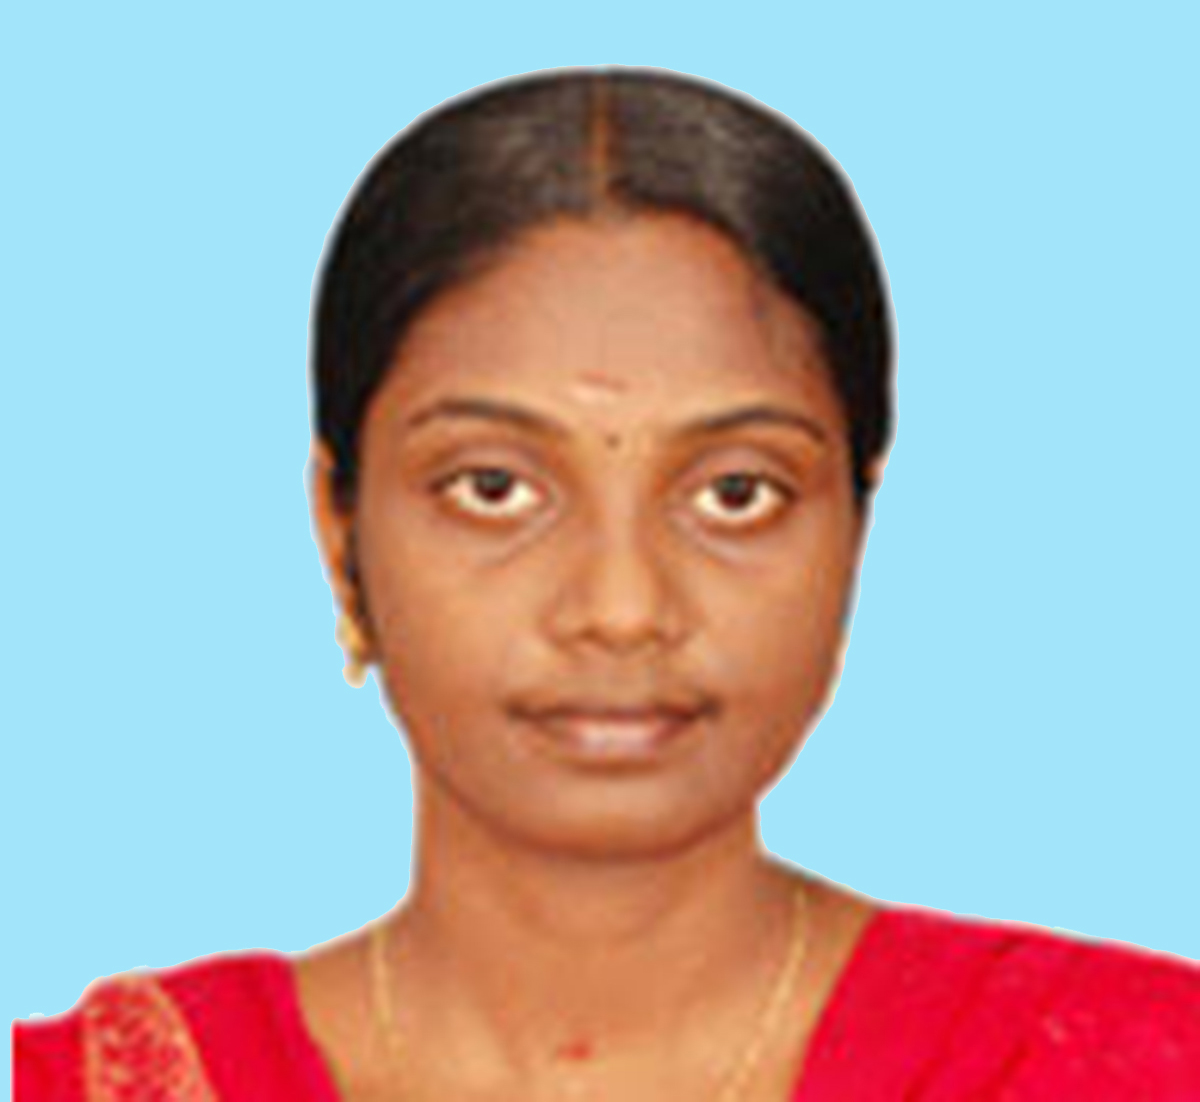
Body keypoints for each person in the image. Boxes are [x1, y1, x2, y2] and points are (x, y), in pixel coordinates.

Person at [14, 67, 1200, 1100]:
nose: (622, 610)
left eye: (736, 493)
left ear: (856, 522)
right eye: (493, 488)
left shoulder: (1133, 1060)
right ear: (339, 527)